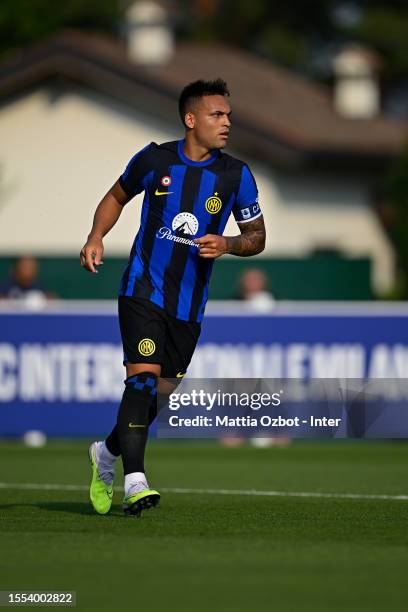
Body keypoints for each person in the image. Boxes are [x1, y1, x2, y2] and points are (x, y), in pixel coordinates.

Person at [80, 78, 266, 518]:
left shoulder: (235, 174)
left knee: (156, 395)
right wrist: (95, 235)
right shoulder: (154, 159)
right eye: (217, 115)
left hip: (189, 305)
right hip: (142, 290)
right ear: (191, 119)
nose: (226, 123)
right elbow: (116, 196)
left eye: (229, 116)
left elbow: (256, 237)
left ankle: (105, 455)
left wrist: (229, 245)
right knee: (141, 380)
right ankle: (136, 481)